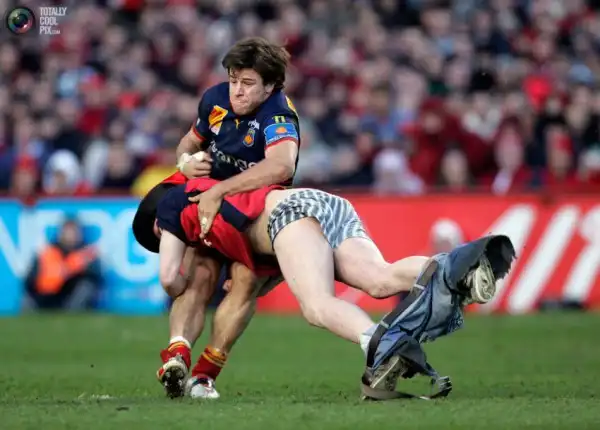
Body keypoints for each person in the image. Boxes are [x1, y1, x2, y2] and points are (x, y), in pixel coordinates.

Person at [134, 177, 497, 396]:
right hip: (324, 202)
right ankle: (456, 268)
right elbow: (269, 269)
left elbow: (169, 278)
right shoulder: (218, 200)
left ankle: (383, 345)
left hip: (288, 216)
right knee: (380, 278)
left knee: (317, 306)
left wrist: (180, 284)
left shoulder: (172, 209)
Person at [132, 36, 301, 399]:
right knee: (199, 276)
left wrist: (221, 190)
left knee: (244, 282)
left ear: (271, 85)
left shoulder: (278, 113)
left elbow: (282, 165)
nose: (237, 90)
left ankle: (205, 375)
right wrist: (185, 163)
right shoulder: (215, 100)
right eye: (233, 80)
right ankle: (178, 356)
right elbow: (188, 142)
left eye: (248, 83)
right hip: (208, 204)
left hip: (253, 213)